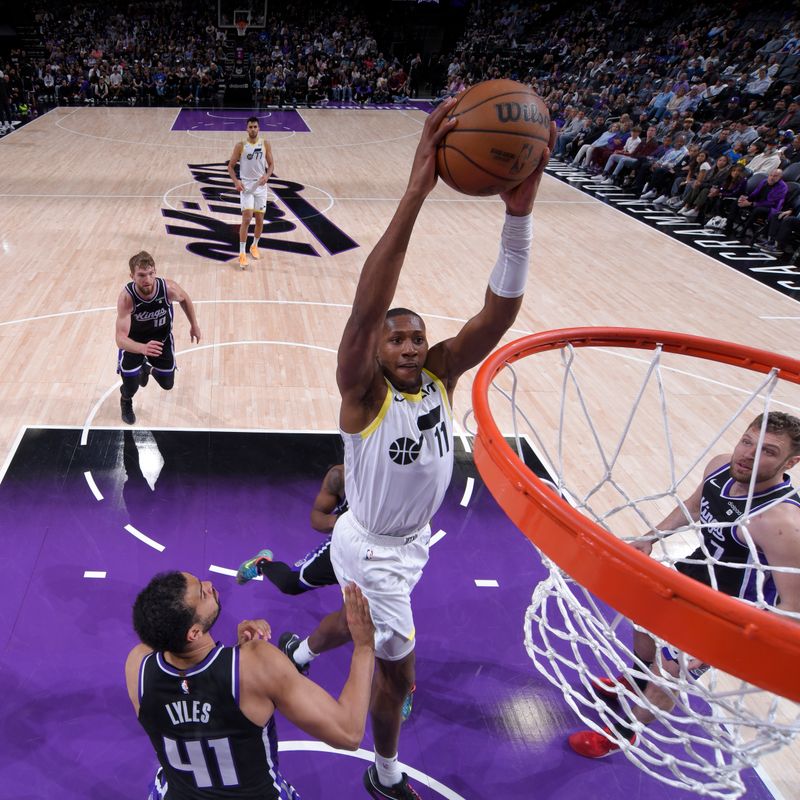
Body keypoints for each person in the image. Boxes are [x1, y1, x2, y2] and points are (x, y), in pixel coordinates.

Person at [275, 98, 555, 799]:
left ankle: (301, 650)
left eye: (414, 336)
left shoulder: (440, 375)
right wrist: (415, 192)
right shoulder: (361, 394)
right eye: (393, 337)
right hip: (373, 545)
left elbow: (499, 313)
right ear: (376, 347)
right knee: (400, 673)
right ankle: (386, 772)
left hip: (397, 543)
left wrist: (517, 216)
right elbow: (368, 308)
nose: (404, 343)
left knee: (359, 616)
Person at [569, 412, 800, 758]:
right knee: (640, 615)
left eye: (767, 451)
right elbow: (694, 506)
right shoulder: (721, 466)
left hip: (734, 606)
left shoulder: (781, 521)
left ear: (791, 462)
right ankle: (636, 677)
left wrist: (745, 643)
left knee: (672, 672)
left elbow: (793, 606)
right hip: (699, 568)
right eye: (747, 441)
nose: (748, 454)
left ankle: (622, 735)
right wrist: (651, 538)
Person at [125, 572, 375, 799]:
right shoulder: (255, 664)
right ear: (194, 633)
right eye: (202, 592)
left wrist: (236, 653)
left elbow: (199, 694)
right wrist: (364, 647)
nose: (210, 585)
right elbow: (349, 733)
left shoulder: (137, 667)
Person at [115, 251, 201, 425]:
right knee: (131, 387)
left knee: (167, 384)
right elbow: (120, 339)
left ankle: (146, 368)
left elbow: (185, 299)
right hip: (135, 344)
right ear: (132, 276)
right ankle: (125, 401)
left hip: (162, 341)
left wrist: (194, 324)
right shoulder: (127, 298)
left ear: (155, 271)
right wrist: (141, 348)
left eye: (151, 273)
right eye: (141, 275)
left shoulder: (168, 288)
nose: (147, 279)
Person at [236, 464, 347, 595]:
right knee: (290, 582)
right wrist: (343, 521)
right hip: (344, 547)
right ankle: (260, 563)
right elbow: (317, 518)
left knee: (350, 614)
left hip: (373, 556)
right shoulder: (341, 475)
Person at [227, 116, 275, 270]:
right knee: (247, 219)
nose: (253, 129)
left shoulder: (265, 144)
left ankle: (254, 245)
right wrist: (236, 181)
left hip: (260, 186)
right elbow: (230, 166)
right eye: (250, 127)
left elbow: (272, 164)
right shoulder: (240, 145)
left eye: (255, 126)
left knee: (260, 220)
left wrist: (267, 176)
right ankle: (241, 253)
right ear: (246, 129)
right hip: (246, 186)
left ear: (259, 128)